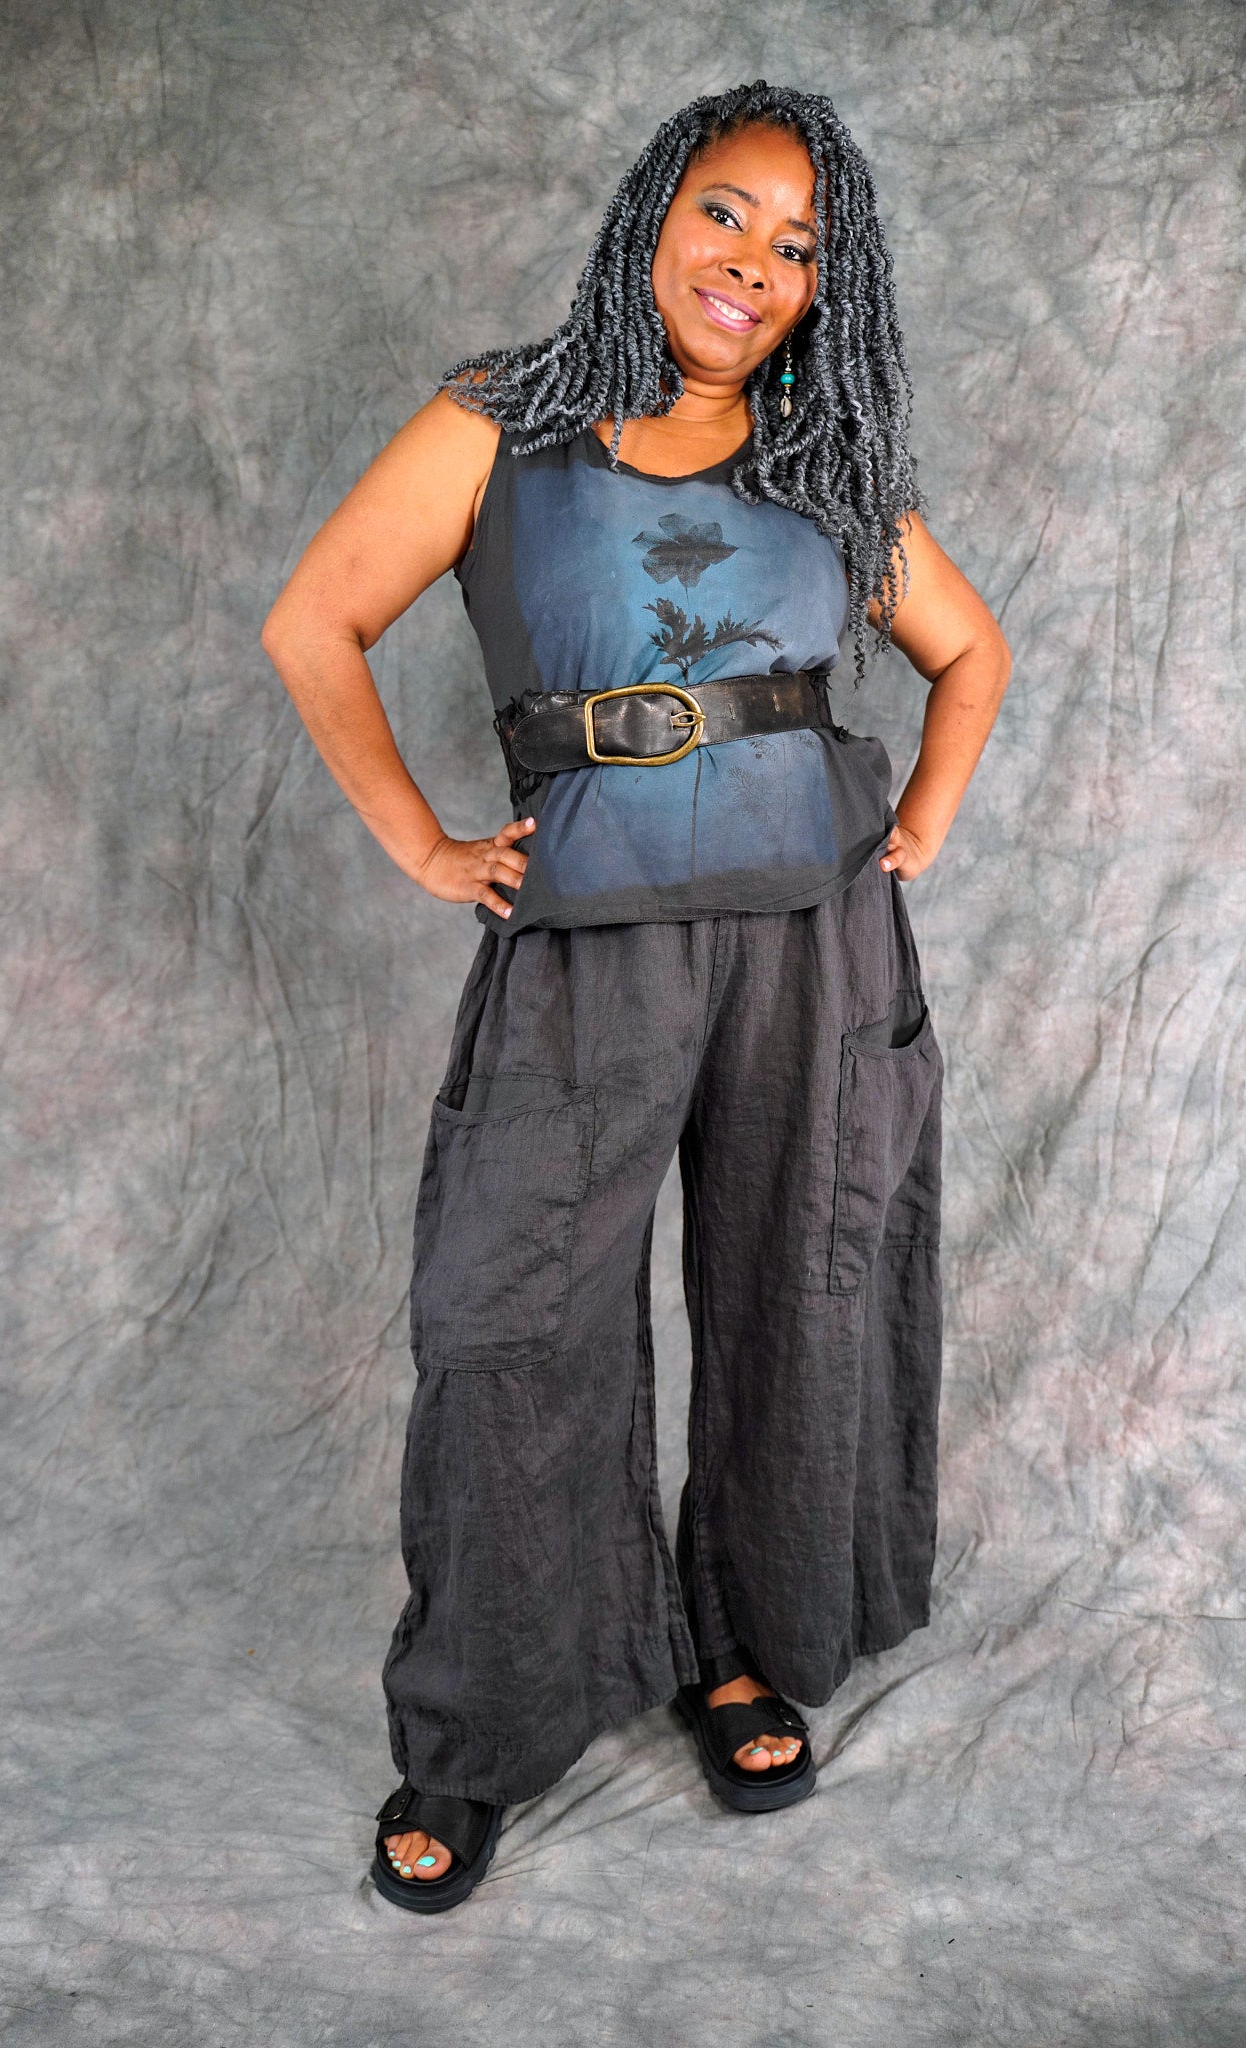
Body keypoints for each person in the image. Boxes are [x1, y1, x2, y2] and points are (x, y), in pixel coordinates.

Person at [262, 79, 1011, 1914]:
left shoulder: (824, 460)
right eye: (723, 215)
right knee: (510, 1319)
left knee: (793, 1295)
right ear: (650, 218)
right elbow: (313, 622)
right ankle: (480, 1731)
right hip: (587, 932)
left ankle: (740, 1649)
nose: (751, 263)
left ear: (825, 287)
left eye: (797, 246)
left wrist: (914, 824)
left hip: (810, 944)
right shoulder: (499, 421)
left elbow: (968, 649)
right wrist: (427, 845)